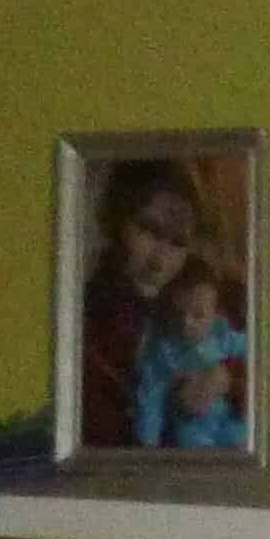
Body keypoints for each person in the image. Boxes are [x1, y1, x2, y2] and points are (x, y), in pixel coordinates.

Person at [76, 160, 203, 449]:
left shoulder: (191, 300)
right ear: (115, 220)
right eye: (148, 230)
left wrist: (223, 376)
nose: (160, 261)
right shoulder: (89, 320)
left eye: (178, 243)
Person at [131, 256, 248, 449]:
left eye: (198, 314)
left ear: (215, 313)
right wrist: (147, 442)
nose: (186, 322)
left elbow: (252, 352)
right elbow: (150, 398)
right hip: (191, 426)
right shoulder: (162, 351)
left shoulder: (221, 334)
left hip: (228, 416)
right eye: (178, 313)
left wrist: (233, 376)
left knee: (241, 437)